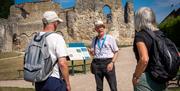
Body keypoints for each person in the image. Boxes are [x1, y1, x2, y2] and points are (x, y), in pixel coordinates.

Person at [35, 11, 71, 91]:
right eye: (57, 22)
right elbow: (62, 63)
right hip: (53, 80)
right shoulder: (57, 38)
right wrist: (67, 83)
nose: (57, 24)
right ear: (54, 23)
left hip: (38, 81)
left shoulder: (35, 38)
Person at [132, 7, 167, 91]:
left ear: (138, 19)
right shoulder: (160, 34)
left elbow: (144, 59)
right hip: (161, 76)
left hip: (146, 78)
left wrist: (136, 76)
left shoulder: (140, 35)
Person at [89, 20, 119, 91]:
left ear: (104, 28)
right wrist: (91, 52)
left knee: (113, 86)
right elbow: (93, 54)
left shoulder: (110, 38)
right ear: (96, 29)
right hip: (97, 63)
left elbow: (116, 51)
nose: (100, 29)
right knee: (99, 88)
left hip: (108, 63)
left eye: (101, 27)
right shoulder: (94, 39)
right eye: (98, 27)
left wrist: (112, 63)